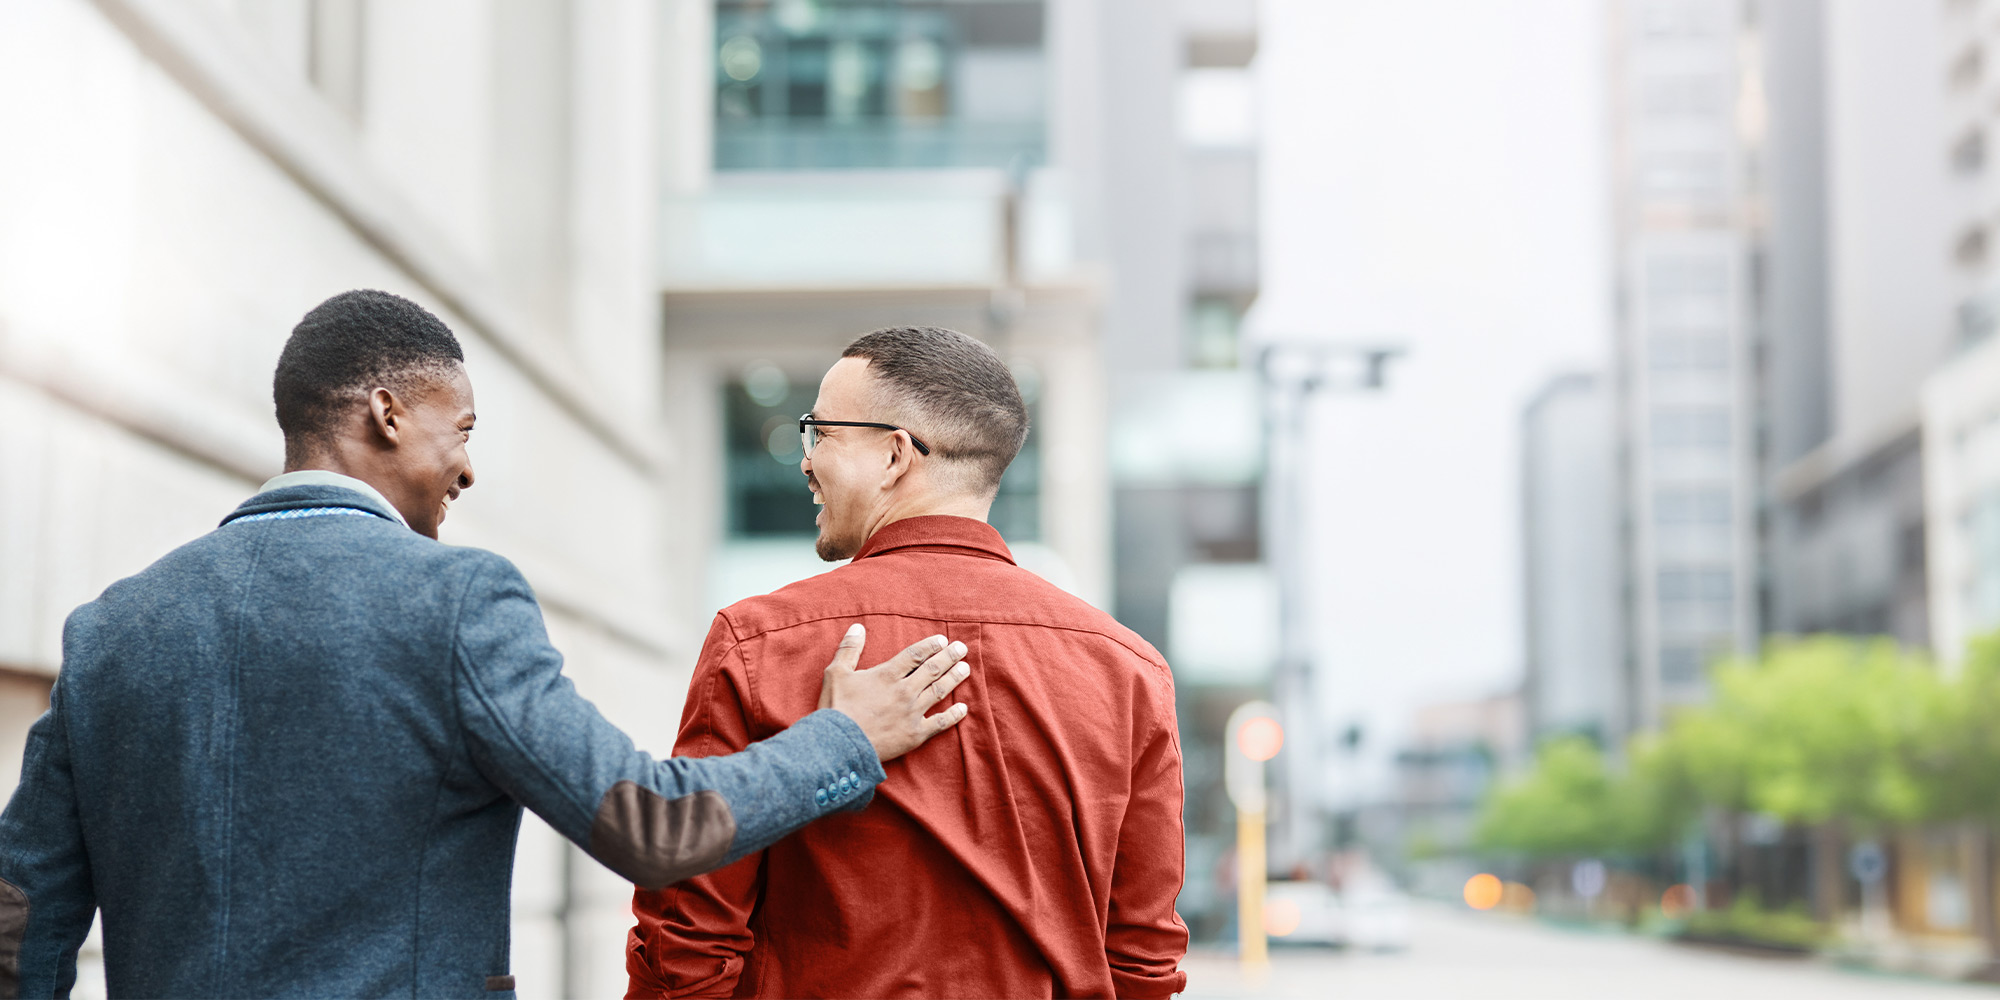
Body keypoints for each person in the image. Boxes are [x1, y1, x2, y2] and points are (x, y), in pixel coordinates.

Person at [0, 291, 975, 998]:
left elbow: (19, 925)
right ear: (384, 413)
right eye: (458, 429)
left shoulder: (113, 630)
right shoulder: (455, 601)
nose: (466, 468)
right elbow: (650, 825)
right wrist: (841, 737)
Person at [625, 327, 1188, 998]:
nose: (805, 461)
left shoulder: (761, 642)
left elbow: (688, 934)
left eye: (821, 434)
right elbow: (1143, 959)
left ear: (896, 455)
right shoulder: (1128, 672)